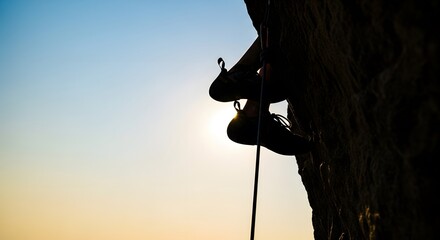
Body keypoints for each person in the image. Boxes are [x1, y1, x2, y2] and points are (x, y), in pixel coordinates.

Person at [208, 35, 312, 156]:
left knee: (270, 77)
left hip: (279, 79)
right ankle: (240, 78)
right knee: (271, 80)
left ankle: (241, 79)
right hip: (279, 80)